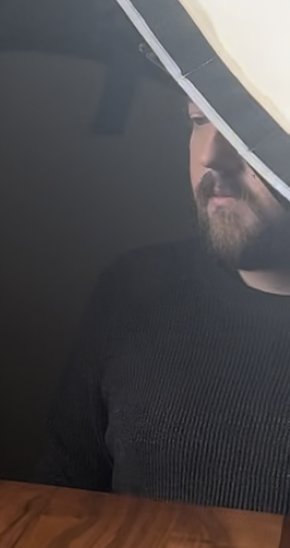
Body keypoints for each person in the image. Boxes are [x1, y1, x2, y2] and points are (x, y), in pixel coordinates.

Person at [38, 97, 290, 509]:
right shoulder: (134, 289)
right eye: (198, 119)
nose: (211, 154)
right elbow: (61, 501)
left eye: (251, 117)